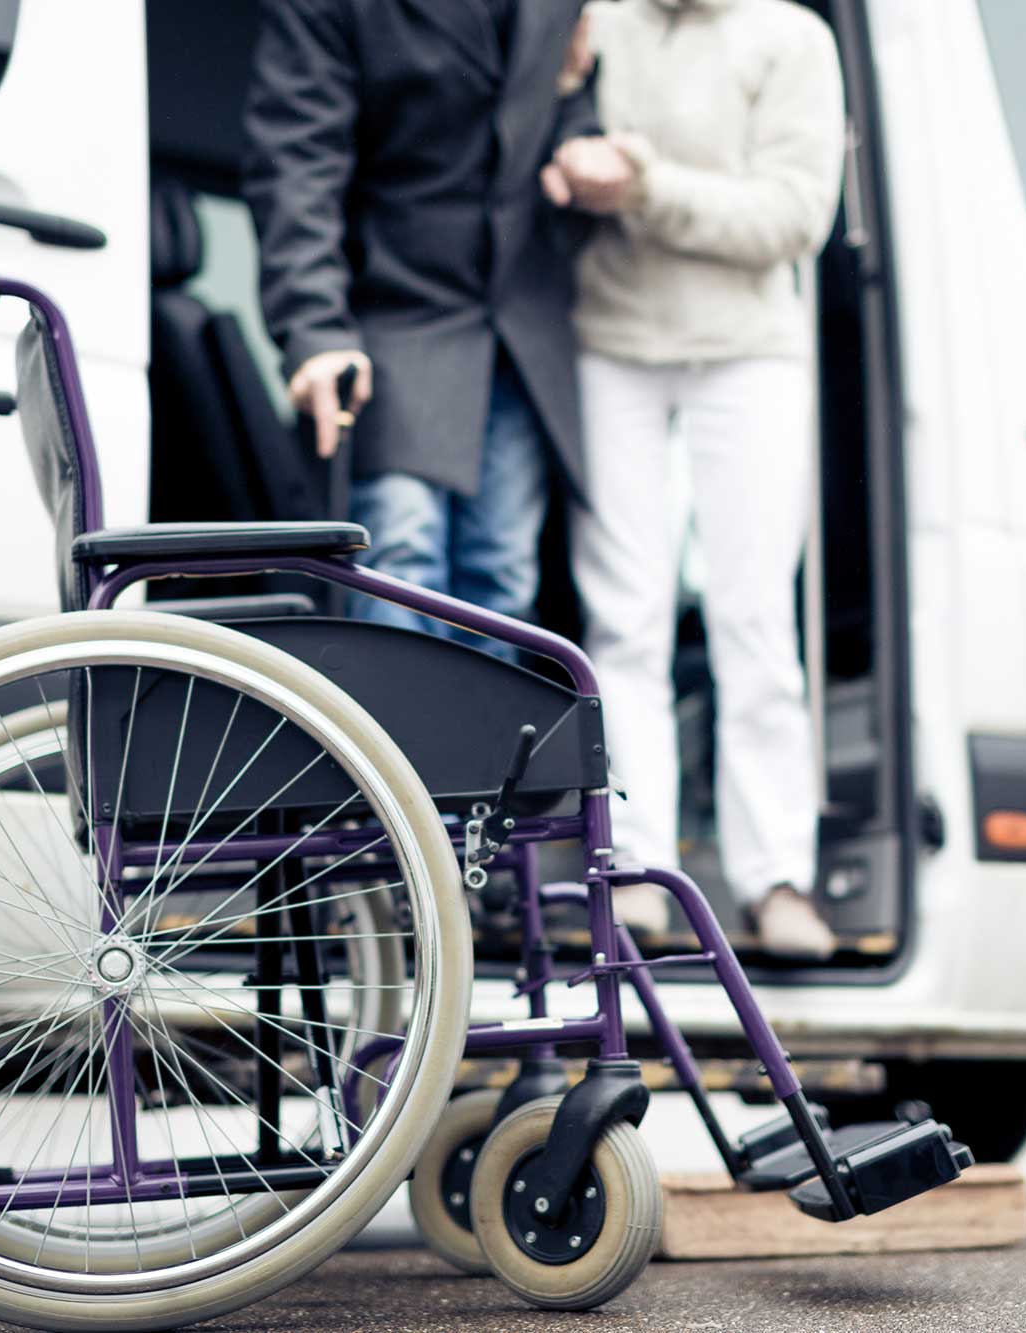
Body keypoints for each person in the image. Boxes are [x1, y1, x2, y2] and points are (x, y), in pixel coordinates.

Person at [548, 0, 846, 958]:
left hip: (747, 353)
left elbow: (796, 215)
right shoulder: (595, 21)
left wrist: (645, 186)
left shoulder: (790, 37)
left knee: (754, 614)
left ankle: (777, 879)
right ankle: (632, 866)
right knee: (621, 618)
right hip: (610, 343)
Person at [243, 0, 632, 655]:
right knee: (397, 554)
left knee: (503, 579)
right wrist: (314, 328)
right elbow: (298, 164)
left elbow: (558, 118)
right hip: (396, 313)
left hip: (519, 327)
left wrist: (580, 149)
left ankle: (476, 760)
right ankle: (393, 757)